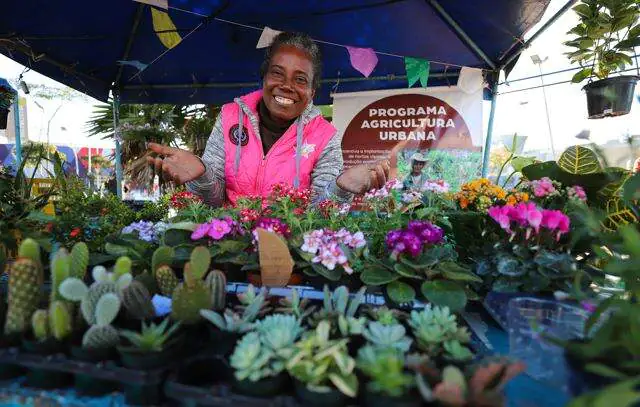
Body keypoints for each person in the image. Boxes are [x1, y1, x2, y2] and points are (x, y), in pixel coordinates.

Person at [147, 32, 389, 207]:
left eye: (300, 79)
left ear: (313, 92)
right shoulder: (230, 117)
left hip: (290, 256)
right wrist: (201, 175)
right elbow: (212, 200)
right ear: (264, 78)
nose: (286, 86)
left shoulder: (325, 137)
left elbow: (319, 213)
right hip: (232, 249)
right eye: (277, 73)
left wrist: (341, 187)